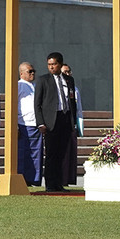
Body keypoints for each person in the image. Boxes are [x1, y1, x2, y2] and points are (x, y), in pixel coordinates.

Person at [34, 50, 77, 193]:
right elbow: (37, 104)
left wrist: (73, 122)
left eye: (54, 64)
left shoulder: (68, 80)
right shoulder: (43, 80)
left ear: (60, 64)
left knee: (62, 153)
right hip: (50, 121)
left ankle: (59, 183)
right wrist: (41, 123)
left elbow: (72, 102)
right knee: (51, 154)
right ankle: (50, 184)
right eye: (49, 64)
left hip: (65, 119)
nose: (51, 67)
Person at [16, 62, 42, 187]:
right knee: (23, 154)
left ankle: (34, 179)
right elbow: (13, 106)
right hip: (23, 124)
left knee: (36, 154)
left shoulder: (35, 86)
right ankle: (22, 179)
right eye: (29, 71)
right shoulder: (19, 86)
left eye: (33, 71)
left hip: (36, 125)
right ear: (21, 73)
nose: (32, 73)